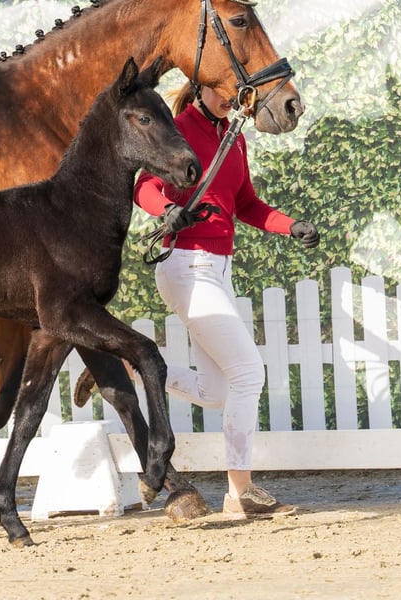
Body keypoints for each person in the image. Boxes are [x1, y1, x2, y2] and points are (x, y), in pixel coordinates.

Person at [134, 82, 320, 518]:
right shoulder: (177, 129)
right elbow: (144, 186)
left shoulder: (233, 138)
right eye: (220, 90)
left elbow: (246, 204)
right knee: (249, 372)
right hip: (186, 266)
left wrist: (290, 225)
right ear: (200, 86)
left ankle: (128, 365)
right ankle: (240, 492)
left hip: (218, 270)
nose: (229, 98)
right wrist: (165, 210)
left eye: (234, 92)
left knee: (217, 390)